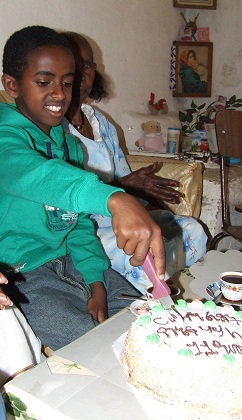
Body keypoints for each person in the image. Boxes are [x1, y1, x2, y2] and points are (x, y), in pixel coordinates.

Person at [0, 25, 166, 351]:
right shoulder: (5, 137)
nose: (60, 94)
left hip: (73, 264)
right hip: (21, 278)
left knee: (149, 329)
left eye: (67, 81)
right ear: (12, 85)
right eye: (44, 82)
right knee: (92, 351)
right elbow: (41, 176)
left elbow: (75, 223)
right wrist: (116, 199)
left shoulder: (69, 145)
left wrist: (96, 281)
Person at [62, 32, 208, 294]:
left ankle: (168, 293)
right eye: (72, 63)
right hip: (80, 231)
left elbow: (125, 182)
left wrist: (144, 192)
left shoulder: (100, 122)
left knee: (191, 229)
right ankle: (146, 311)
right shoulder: (49, 127)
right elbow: (60, 200)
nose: (81, 74)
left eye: (87, 65)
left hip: (124, 221)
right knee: (135, 250)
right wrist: (123, 186)